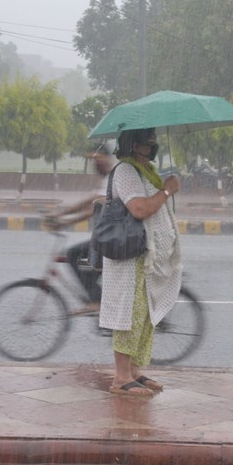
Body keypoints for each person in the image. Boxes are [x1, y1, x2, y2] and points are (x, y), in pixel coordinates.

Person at [100, 128, 182, 397]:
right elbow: (139, 208)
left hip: (145, 257)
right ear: (134, 144)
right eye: (148, 141)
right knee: (128, 314)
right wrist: (167, 191)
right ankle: (121, 377)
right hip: (129, 255)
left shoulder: (145, 172)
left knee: (144, 315)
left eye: (155, 140)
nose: (154, 144)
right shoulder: (126, 171)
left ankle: (134, 371)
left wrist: (165, 188)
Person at [44, 144, 115, 314]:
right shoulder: (107, 179)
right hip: (109, 235)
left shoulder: (113, 178)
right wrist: (61, 215)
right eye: (92, 161)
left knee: (73, 254)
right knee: (87, 265)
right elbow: (91, 201)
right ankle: (99, 301)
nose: (95, 164)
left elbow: (92, 208)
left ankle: (96, 301)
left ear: (108, 158)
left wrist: (63, 220)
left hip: (115, 238)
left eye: (98, 159)